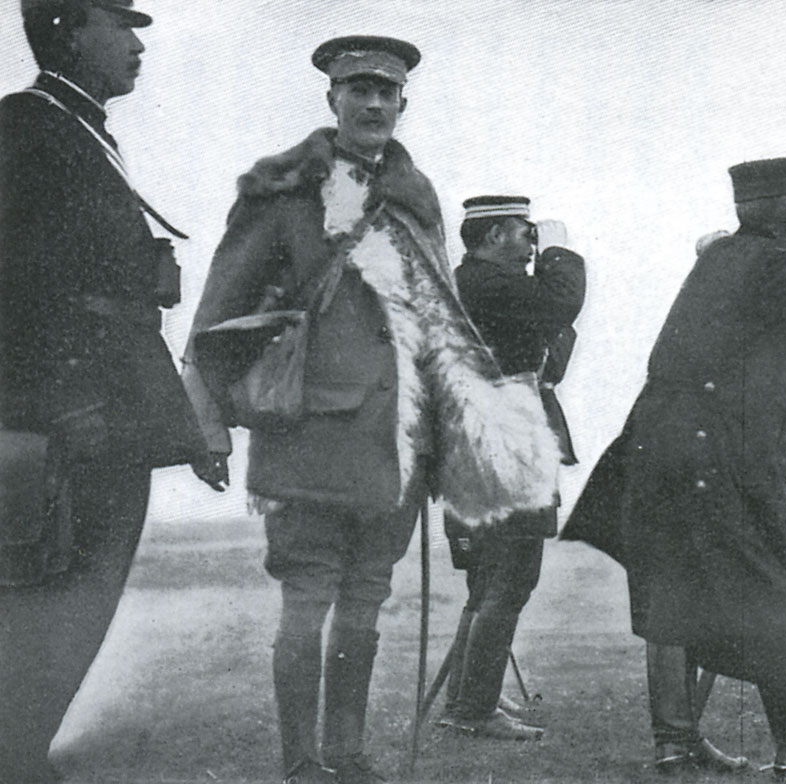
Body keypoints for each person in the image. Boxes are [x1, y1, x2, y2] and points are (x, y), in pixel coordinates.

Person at [180, 38, 561, 784]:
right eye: (358, 89)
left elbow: (440, 323)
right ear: (332, 99)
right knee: (306, 596)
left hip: (396, 444)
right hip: (307, 436)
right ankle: (302, 765)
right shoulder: (283, 194)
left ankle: (348, 759)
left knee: (365, 599)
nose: (373, 104)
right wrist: (206, 424)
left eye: (386, 93)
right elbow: (217, 311)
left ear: (402, 104)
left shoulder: (416, 201)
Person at [561, 156, 786, 777]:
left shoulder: (729, 256)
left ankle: (675, 743)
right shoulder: (766, 262)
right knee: (762, 591)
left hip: (660, 448)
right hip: (708, 456)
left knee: (672, 591)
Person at [0, 2, 206, 782]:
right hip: (75, 422)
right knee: (52, 609)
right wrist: (60, 407)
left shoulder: (76, 127)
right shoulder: (28, 126)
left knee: (78, 609)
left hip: (110, 412)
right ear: (66, 32)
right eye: (117, 24)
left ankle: (22, 755)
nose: (135, 41)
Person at [438, 196, 585, 740]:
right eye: (525, 234)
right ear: (496, 235)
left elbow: (551, 341)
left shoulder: (470, 283)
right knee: (513, 574)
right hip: (508, 438)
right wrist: (561, 251)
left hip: (481, 436)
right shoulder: (489, 285)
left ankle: (468, 696)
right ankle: (474, 709)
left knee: (487, 579)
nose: (531, 246)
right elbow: (561, 304)